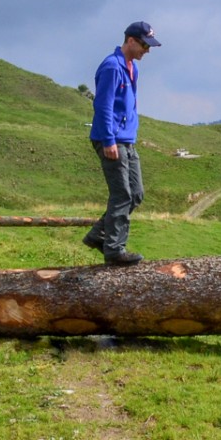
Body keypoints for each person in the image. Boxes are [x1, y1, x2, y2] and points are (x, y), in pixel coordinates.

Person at [84, 21, 160, 265]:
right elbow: (103, 105)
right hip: (111, 140)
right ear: (130, 41)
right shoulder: (111, 67)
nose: (146, 51)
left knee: (136, 193)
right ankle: (115, 250)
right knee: (122, 194)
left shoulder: (132, 68)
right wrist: (109, 139)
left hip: (126, 139)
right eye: (144, 46)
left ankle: (99, 235)